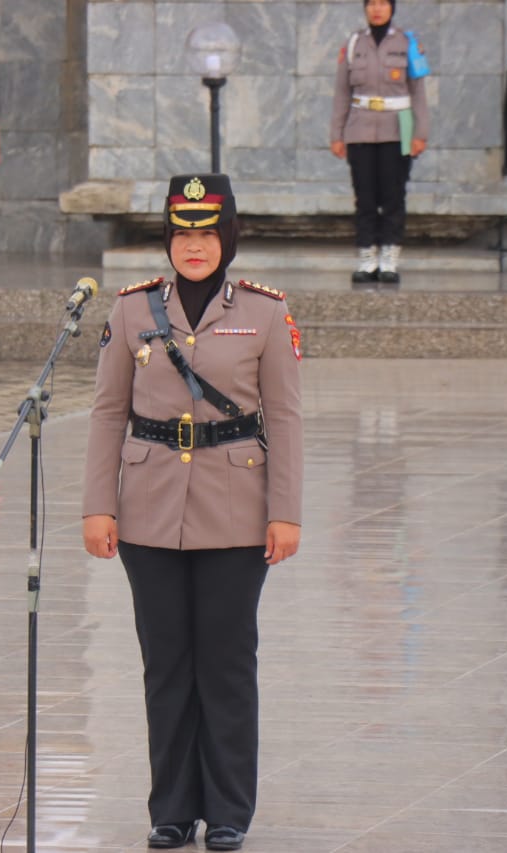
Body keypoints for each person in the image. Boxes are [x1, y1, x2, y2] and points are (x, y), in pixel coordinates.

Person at [82, 174, 304, 851]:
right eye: (183, 234)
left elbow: (286, 418)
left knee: (227, 662)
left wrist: (286, 511)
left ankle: (230, 808)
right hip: (148, 513)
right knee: (167, 662)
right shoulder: (132, 311)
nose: (195, 246)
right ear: (169, 239)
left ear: (227, 237)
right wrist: (98, 505)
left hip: (237, 512)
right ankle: (172, 808)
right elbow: (107, 412)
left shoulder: (265, 313)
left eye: (207, 233)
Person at [330, 0, 431, 285]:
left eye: (382, 3)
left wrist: (420, 133)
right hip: (360, 130)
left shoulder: (407, 43)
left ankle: (389, 258)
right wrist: (336, 135)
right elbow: (341, 94)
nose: (377, 9)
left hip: (397, 131)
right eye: (371, 3)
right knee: (365, 198)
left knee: (393, 196)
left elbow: (418, 93)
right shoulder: (353, 43)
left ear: (392, 8)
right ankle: (366, 258)